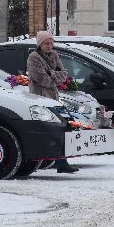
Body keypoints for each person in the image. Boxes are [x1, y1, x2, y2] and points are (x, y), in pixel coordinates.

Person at [27, 30, 78, 174]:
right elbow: (43, 79)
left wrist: (51, 74)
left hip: (54, 99)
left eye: (51, 43)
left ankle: (62, 162)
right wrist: (54, 75)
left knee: (62, 128)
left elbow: (64, 74)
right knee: (46, 131)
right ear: (40, 44)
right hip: (40, 99)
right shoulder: (34, 57)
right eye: (46, 43)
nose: (49, 46)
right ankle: (38, 162)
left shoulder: (54, 55)